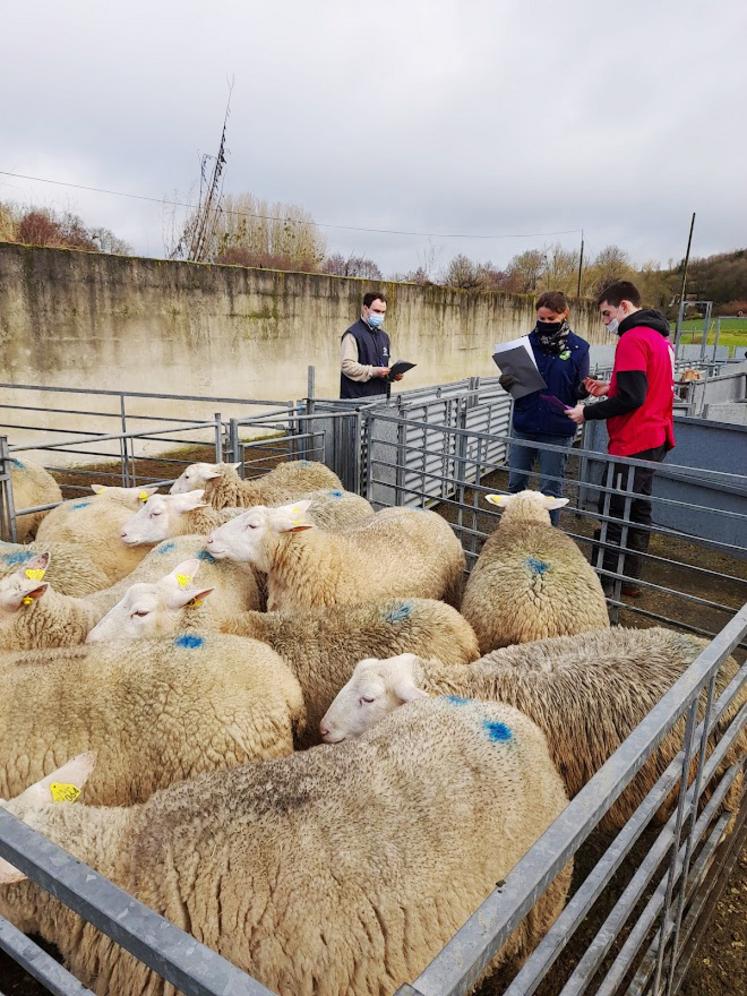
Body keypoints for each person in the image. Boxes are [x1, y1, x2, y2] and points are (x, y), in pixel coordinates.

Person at [565, 280, 675, 596]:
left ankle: (603, 582)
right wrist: (608, 388)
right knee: (638, 510)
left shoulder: (632, 339)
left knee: (614, 509)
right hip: (657, 436)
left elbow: (632, 398)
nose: (605, 322)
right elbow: (645, 387)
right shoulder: (660, 340)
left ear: (624, 306)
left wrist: (587, 413)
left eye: (606, 313)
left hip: (634, 441)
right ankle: (629, 580)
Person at [501, 290, 590, 526]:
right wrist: (507, 382)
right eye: (542, 319)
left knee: (550, 490)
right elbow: (516, 383)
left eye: (551, 319)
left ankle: (549, 538)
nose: (546, 323)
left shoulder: (579, 348)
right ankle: (511, 531)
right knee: (516, 482)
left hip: (557, 428)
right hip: (525, 422)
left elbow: (579, 388)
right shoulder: (524, 345)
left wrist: (584, 390)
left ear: (564, 314)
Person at [340, 291, 403, 399]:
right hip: (357, 403)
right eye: (377, 311)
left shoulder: (384, 337)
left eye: (383, 312)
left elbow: (386, 362)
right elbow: (347, 366)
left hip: (380, 401)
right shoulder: (352, 334)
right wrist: (373, 372)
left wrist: (393, 374)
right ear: (365, 309)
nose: (380, 315)